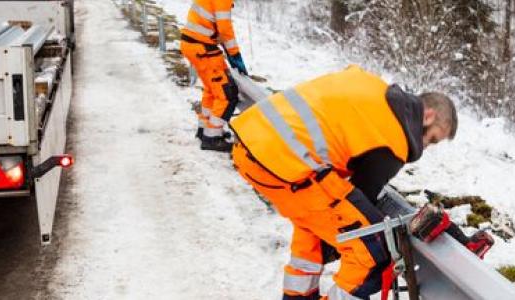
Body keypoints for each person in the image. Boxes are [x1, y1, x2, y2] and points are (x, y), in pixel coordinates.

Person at [229, 65, 460, 299]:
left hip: (253, 144)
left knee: (316, 227)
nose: (425, 147)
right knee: (373, 251)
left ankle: (297, 295)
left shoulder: (372, 86)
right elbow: (362, 193)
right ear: (428, 116)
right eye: (431, 139)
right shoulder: (396, 138)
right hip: (286, 163)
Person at [180, 0, 247, 152]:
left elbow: (211, 23)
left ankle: (204, 130)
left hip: (193, 44)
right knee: (227, 94)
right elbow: (225, 29)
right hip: (202, 47)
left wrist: (216, 36)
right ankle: (212, 138)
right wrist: (234, 55)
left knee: (212, 89)